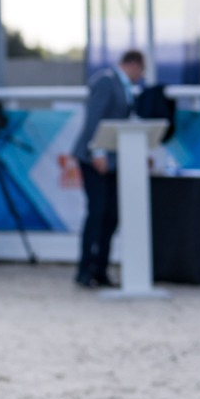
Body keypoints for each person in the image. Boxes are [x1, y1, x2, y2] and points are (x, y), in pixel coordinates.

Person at [71, 49, 146, 289]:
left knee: (111, 215)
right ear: (134, 65)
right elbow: (95, 118)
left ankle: (100, 269)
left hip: (115, 160)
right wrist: (97, 151)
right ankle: (84, 270)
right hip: (95, 159)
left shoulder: (124, 87)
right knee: (97, 212)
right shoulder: (106, 82)